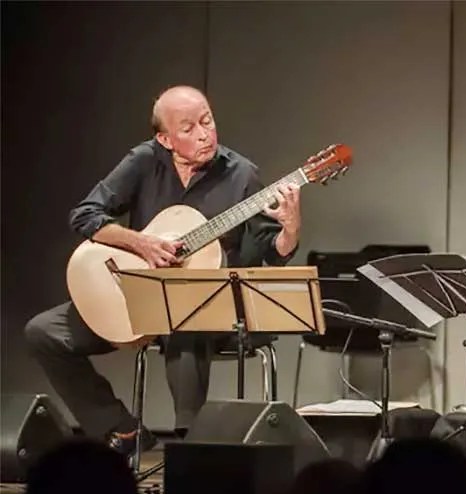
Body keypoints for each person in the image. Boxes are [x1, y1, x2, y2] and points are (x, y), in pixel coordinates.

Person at [24, 85, 301, 457]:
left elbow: (274, 252)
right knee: (44, 332)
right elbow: (86, 214)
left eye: (208, 121)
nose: (204, 133)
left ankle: (191, 451)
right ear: (164, 139)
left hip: (207, 311)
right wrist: (141, 244)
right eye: (188, 128)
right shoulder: (144, 161)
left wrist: (291, 227)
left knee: (183, 325)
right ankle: (121, 431)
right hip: (139, 295)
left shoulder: (242, 176)